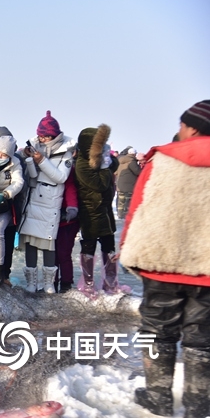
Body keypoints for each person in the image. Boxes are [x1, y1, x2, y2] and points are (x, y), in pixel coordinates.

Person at [121, 100, 210, 418]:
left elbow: (138, 211)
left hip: (162, 264)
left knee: (158, 331)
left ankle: (158, 396)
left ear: (194, 127)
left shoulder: (162, 161)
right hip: (207, 271)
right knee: (203, 339)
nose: (179, 130)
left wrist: (129, 249)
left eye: (183, 124)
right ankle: (200, 404)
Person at [18, 111, 76, 294]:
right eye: (40, 136)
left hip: (51, 203)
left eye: (45, 136)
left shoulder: (65, 153)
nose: (42, 139)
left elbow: (60, 177)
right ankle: (31, 284)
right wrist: (29, 160)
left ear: (54, 135)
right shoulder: (36, 146)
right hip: (33, 199)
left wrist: (41, 160)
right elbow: (33, 176)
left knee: (48, 242)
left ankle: (49, 285)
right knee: (30, 242)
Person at [74, 125, 120, 296]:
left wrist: (107, 159)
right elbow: (99, 184)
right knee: (89, 247)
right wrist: (104, 167)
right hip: (90, 213)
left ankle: (110, 284)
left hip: (105, 212)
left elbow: (114, 164)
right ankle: (88, 285)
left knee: (109, 247)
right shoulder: (82, 164)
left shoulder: (101, 159)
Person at [0, 135, 24, 285]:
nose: (0, 157)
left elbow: (18, 182)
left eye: (4, 155)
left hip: (4, 205)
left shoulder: (15, 165)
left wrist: (6, 194)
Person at [53, 153, 79, 293]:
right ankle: (53, 282)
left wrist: (72, 207)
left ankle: (66, 284)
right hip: (51, 215)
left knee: (63, 253)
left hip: (67, 218)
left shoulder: (68, 168)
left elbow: (70, 187)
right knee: (52, 253)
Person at [115, 147, 141, 220]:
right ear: (134, 154)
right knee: (128, 201)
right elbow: (138, 171)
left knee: (121, 201)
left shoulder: (120, 161)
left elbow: (115, 172)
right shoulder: (131, 161)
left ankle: (120, 215)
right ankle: (126, 216)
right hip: (129, 185)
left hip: (120, 184)